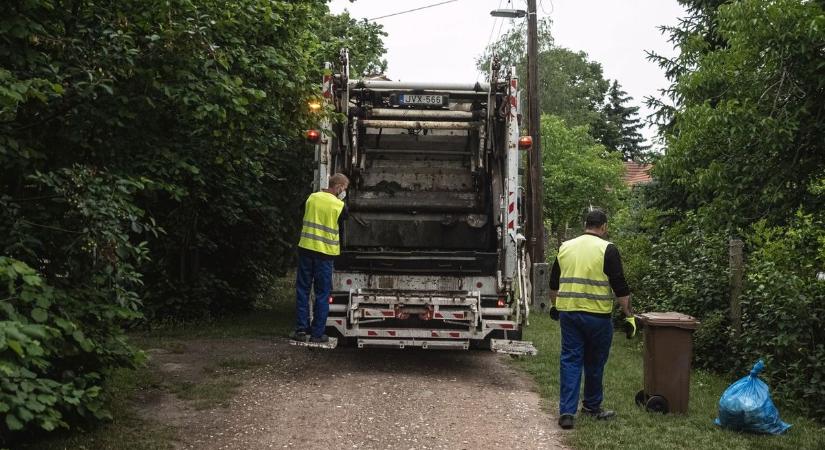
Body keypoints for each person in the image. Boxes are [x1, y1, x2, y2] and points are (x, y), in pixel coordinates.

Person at [548, 209, 636, 430]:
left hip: (569, 314)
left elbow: (553, 284)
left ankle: (567, 413)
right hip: (597, 316)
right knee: (595, 362)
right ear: (604, 227)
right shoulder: (608, 249)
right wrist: (629, 316)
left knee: (570, 360)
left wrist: (554, 306)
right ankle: (592, 406)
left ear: (584, 224)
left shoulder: (565, 247)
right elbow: (620, 286)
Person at [291, 173, 349, 343]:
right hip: (325, 255)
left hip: (306, 250)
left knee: (303, 290)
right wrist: (342, 200)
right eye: (344, 188)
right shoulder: (339, 205)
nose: (344, 191)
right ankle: (317, 334)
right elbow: (345, 218)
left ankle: (301, 331)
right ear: (338, 187)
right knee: (322, 294)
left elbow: (302, 211)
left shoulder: (311, 198)